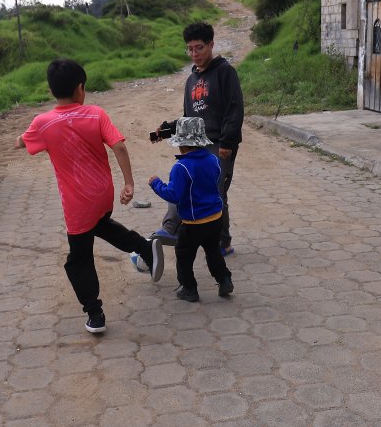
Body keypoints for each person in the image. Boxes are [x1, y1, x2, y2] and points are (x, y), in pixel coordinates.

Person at [16, 58, 164, 334]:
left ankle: (95, 315)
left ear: (51, 92)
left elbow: (23, 143)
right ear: (80, 88)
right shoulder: (96, 114)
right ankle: (144, 247)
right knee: (102, 225)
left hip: (77, 204)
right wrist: (128, 183)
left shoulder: (42, 123)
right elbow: (119, 147)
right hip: (102, 194)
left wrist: (22, 138)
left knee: (79, 258)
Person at [149, 22, 243, 254]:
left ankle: (222, 243)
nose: (194, 54)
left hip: (220, 144)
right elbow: (189, 117)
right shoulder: (191, 80)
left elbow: (235, 108)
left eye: (199, 48)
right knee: (185, 179)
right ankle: (171, 229)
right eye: (189, 49)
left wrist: (228, 143)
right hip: (197, 144)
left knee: (217, 192)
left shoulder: (224, 72)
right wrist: (169, 129)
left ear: (211, 44)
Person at [147, 117, 233, 302]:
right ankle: (224, 279)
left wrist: (156, 184)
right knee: (213, 252)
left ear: (182, 145)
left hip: (194, 223)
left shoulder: (181, 167)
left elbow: (173, 195)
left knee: (184, 255)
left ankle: (189, 288)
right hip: (216, 218)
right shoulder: (213, 159)